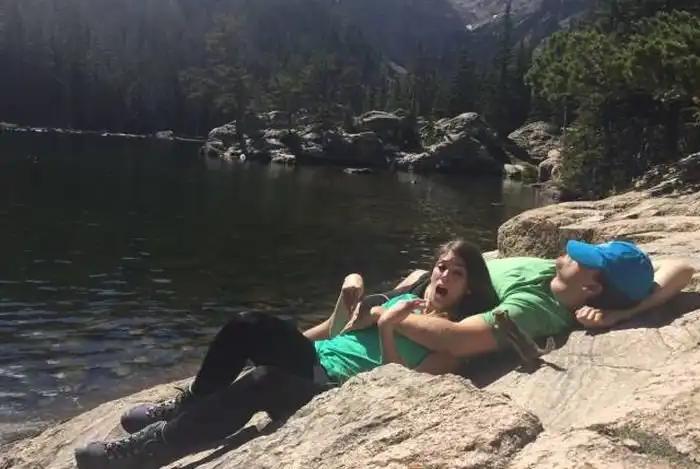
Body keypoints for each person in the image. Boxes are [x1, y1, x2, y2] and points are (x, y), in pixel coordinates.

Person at [74, 239, 499, 469]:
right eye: (441, 266)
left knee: (262, 382)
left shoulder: (451, 343)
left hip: (333, 391)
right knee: (248, 324)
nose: (444, 275)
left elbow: (395, 389)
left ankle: (151, 449)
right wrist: (351, 296)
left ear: (469, 289)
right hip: (314, 359)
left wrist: (388, 328)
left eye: (456, 272)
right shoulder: (402, 299)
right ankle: (191, 404)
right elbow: (340, 329)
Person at [363, 239, 696, 359]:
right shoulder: (557, 274)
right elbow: (682, 268)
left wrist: (384, 314)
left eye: (586, 259)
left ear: (593, 288)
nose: (572, 250)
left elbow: (457, 340)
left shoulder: (535, 309)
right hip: (434, 277)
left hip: (420, 298)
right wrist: (629, 311)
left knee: (354, 310)